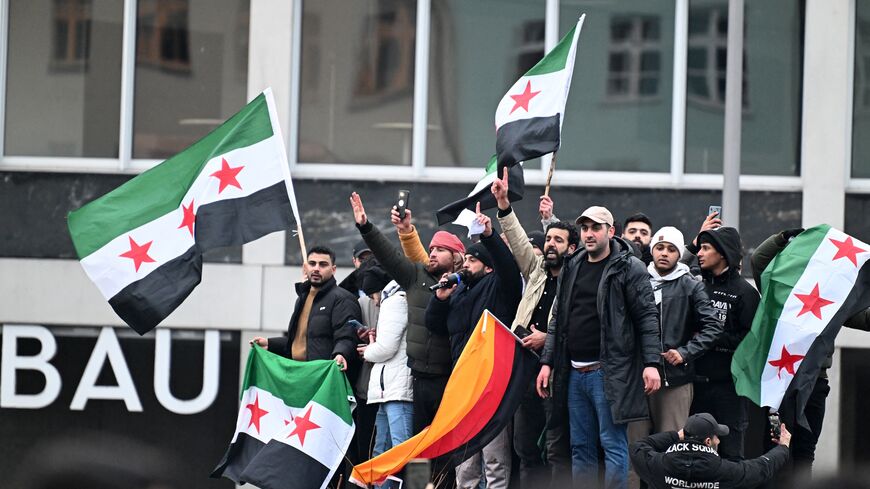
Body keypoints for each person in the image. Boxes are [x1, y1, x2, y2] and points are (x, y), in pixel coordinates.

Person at [537, 205, 662, 489]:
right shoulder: (573, 263)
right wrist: (547, 362)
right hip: (573, 373)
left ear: (611, 231)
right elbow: (559, 318)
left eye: (596, 228)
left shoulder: (630, 267)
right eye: (584, 229)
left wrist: (652, 364)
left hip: (608, 372)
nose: (589, 234)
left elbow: (647, 317)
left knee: (613, 444)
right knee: (580, 446)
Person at [751, 229, 870, 484]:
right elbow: (759, 261)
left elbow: (866, 318)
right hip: (780, 381)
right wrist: (782, 237)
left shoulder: (836, 301)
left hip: (815, 383)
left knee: (805, 449)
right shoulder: (782, 290)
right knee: (774, 448)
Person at [426, 202, 523, 489]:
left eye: (472, 260)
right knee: (465, 460)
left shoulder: (498, 285)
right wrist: (440, 299)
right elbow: (434, 326)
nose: (465, 264)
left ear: (488, 266)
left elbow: (507, 265)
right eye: (464, 259)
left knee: (494, 457)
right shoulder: (458, 293)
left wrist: (490, 235)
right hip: (462, 382)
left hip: (492, 381)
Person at [349, 193, 463, 435]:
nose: (432, 253)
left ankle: (442, 476)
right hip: (419, 378)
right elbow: (388, 255)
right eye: (431, 249)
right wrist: (365, 226)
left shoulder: (466, 285)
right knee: (419, 446)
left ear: (456, 258)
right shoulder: (416, 276)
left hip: (451, 377)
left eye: (440, 250)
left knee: (446, 441)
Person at [492, 169, 575, 488]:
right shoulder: (537, 270)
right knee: (524, 447)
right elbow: (515, 238)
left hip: (555, 369)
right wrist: (503, 206)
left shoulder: (575, 277)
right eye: (549, 239)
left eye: (559, 240)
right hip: (522, 367)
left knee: (555, 448)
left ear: (570, 249)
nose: (551, 244)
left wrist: (547, 338)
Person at [688, 226, 760, 461]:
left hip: (730, 388)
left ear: (723, 254)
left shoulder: (746, 293)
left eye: (706, 248)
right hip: (696, 384)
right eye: (699, 248)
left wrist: (711, 336)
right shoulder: (696, 286)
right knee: (694, 454)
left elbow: (750, 342)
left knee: (729, 454)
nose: (700, 253)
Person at [251, 245, 359, 372]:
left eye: (323, 264)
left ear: (333, 269)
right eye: (312, 264)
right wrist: (269, 344)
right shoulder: (302, 298)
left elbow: (347, 337)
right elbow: (300, 341)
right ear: (305, 268)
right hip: (299, 375)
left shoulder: (343, 299)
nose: (316, 269)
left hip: (324, 376)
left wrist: (341, 354)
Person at [630, 412, 791, 489]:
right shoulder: (723, 470)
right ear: (708, 441)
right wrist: (783, 447)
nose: (719, 440)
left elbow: (638, 446)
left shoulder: (659, 464)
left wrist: (675, 436)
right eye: (716, 437)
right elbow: (762, 467)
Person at [357, 277, 414, 487]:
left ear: (377, 290)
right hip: (389, 388)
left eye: (372, 296)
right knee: (384, 452)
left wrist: (369, 351)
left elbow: (386, 349)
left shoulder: (394, 301)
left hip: (396, 389)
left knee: (398, 453)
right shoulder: (398, 299)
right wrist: (374, 342)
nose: (374, 302)